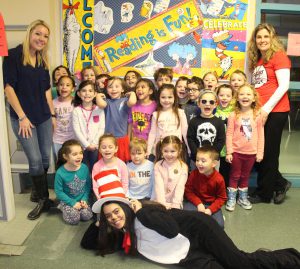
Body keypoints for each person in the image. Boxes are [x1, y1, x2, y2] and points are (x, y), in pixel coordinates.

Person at [81, 193, 300, 269]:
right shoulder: (124, 236)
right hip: (187, 254)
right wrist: (99, 221)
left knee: (240, 263)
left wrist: (140, 212)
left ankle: (290, 258)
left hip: (198, 230)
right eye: (109, 216)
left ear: (127, 208)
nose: (114, 217)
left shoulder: (143, 215)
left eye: (116, 211)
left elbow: (170, 229)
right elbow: (87, 243)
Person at [3, 20, 55, 220]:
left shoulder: (42, 60)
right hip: (23, 117)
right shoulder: (14, 55)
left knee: (44, 157)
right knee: (34, 159)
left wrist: (51, 115)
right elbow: (9, 88)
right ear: (29, 33)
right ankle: (43, 199)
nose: (41, 39)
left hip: (42, 115)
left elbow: (46, 90)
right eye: (38, 34)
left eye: (45, 36)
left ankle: (36, 191)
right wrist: (23, 117)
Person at [248, 23, 292, 204]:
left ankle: (264, 194)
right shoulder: (258, 60)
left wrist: (266, 110)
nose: (262, 40)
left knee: (269, 152)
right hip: (261, 111)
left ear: (272, 38)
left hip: (276, 111)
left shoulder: (279, 56)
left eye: (266, 36)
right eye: (259, 37)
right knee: (261, 152)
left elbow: (284, 86)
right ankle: (280, 183)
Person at [226, 84, 264, 211]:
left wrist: (260, 153)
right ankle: (232, 198)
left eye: (248, 94)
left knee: (245, 176)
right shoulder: (233, 115)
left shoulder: (257, 115)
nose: (245, 97)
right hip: (236, 152)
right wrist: (229, 151)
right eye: (242, 94)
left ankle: (242, 198)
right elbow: (229, 133)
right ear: (237, 98)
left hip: (251, 153)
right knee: (235, 175)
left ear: (254, 98)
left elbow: (260, 135)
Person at [184, 145, 226, 228]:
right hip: (195, 203)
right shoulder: (193, 174)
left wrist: (210, 210)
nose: (199, 163)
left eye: (203, 161)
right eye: (197, 160)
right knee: (186, 218)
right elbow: (188, 191)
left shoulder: (219, 179)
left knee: (219, 225)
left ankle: (217, 217)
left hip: (211, 204)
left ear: (214, 163)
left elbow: (221, 198)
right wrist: (198, 203)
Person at [96, 77, 137, 162]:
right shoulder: (106, 101)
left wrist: (132, 93)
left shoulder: (125, 101)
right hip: (108, 139)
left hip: (121, 138)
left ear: (122, 89)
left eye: (117, 86)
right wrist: (98, 96)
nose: (113, 89)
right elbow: (101, 104)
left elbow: (132, 102)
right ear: (106, 90)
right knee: (107, 164)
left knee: (122, 164)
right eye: (110, 87)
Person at [54, 139, 93, 225]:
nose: (79, 156)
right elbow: (58, 192)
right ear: (65, 157)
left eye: (80, 153)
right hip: (68, 201)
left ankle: (78, 209)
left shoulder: (84, 168)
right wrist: (72, 203)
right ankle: (62, 207)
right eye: (74, 154)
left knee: (87, 216)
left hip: (82, 200)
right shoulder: (60, 173)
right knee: (74, 219)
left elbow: (87, 186)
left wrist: (84, 199)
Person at [147, 84, 189, 158]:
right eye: (163, 97)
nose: (166, 100)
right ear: (159, 98)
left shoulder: (180, 113)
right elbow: (152, 133)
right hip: (160, 151)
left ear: (174, 98)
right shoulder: (155, 115)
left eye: (170, 97)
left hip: (175, 150)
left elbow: (185, 132)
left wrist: (189, 149)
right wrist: (148, 150)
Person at [72, 80, 105, 171]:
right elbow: (76, 130)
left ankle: (94, 185)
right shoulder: (76, 111)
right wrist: (87, 145)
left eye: (90, 91)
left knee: (95, 168)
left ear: (95, 94)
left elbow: (101, 128)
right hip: (82, 146)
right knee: (83, 169)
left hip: (96, 146)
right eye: (84, 90)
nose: (87, 93)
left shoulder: (99, 109)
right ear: (78, 93)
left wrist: (94, 143)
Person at [187, 90, 225, 163]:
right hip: (196, 159)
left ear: (215, 104)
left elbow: (221, 141)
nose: (207, 104)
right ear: (199, 103)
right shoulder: (193, 121)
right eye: (204, 101)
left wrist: (213, 155)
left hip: (213, 160)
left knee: (212, 175)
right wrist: (197, 154)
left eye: (211, 102)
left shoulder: (219, 122)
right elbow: (190, 139)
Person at [152, 136, 188, 209]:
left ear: (179, 150)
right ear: (161, 150)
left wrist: (175, 205)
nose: (169, 154)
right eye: (166, 151)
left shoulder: (183, 167)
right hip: (158, 201)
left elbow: (180, 188)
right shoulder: (158, 165)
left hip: (175, 202)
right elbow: (159, 186)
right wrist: (162, 204)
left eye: (172, 151)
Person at [92, 134, 128, 199]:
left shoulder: (122, 165)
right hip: (103, 198)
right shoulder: (96, 166)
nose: (107, 150)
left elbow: (125, 184)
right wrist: (100, 198)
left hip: (119, 197)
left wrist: (121, 197)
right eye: (103, 147)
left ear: (116, 149)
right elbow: (95, 186)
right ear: (99, 149)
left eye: (110, 147)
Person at [214, 84, 235, 187]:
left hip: (228, 149)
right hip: (216, 147)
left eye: (228, 96)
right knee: (216, 172)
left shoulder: (235, 111)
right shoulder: (213, 109)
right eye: (221, 95)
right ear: (217, 96)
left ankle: (225, 191)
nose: (224, 98)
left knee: (226, 172)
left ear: (232, 97)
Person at [53, 75, 75, 158]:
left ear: (73, 89)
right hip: (58, 139)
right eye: (61, 85)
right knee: (60, 163)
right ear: (57, 87)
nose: (64, 87)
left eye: (68, 85)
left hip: (73, 139)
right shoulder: (53, 103)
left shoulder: (76, 102)